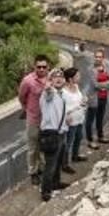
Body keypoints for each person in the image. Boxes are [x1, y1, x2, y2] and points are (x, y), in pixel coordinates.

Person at [38, 68, 70, 201]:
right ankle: (45, 191)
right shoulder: (49, 94)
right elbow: (48, 92)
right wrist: (47, 86)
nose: (58, 79)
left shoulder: (61, 94)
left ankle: (56, 183)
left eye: (61, 77)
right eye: (55, 77)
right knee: (50, 164)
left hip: (60, 132)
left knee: (57, 162)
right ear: (50, 81)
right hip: (50, 134)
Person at [18, 55, 50, 185]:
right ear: (34, 66)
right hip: (33, 119)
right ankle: (33, 172)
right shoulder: (27, 81)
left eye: (44, 67)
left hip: (47, 120)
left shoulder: (51, 79)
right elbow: (21, 97)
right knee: (32, 148)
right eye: (39, 67)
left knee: (43, 147)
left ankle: (42, 169)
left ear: (48, 67)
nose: (41, 69)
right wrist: (28, 109)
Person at [84, 49, 109, 150]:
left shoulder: (106, 68)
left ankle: (100, 136)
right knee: (90, 119)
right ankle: (90, 140)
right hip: (94, 97)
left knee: (100, 117)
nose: (98, 58)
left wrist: (104, 86)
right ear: (94, 58)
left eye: (100, 57)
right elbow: (95, 84)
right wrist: (105, 84)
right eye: (96, 57)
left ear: (103, 58)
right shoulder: (90, 69)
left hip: (103, 96)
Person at [60, 67, 87, 172]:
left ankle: (75, 156)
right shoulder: (63, 92)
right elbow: (63, 108)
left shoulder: (76, 86)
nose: (79, 77)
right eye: (77, 76)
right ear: (70, 79)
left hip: (80, 118)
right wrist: (77, 106)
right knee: (69, 142)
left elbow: (79, 100)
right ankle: (64, 164)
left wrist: (84, 101)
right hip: (71, 121)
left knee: (79, 137)